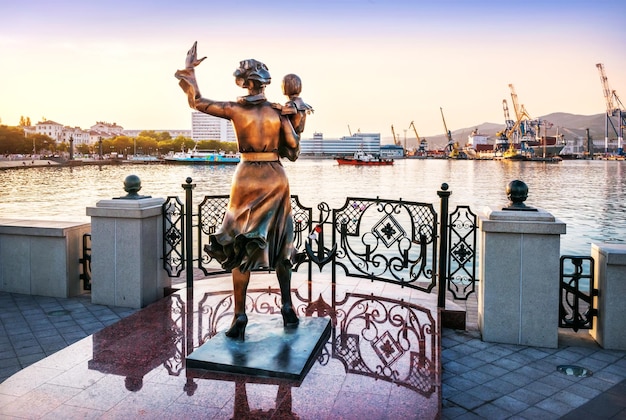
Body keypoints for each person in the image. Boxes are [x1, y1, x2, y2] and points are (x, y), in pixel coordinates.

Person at [175, 42, 302, 340]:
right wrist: (297, 118)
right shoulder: (278, 113)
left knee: (239, 243)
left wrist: (190, 71)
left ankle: (239, 316)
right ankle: (286, 308)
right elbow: (294, 151)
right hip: (274, 176)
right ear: (265, 83)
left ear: (243, 83)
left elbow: (198, 102)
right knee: (282, 241)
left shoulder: (233, 110)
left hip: (245, 176)